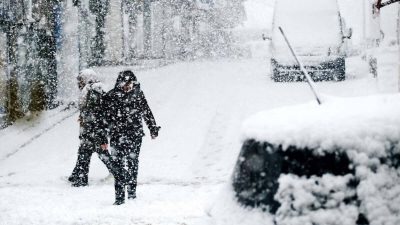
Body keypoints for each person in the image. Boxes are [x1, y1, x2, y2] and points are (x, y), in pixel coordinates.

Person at [68, 69, 129, 193]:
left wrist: (99, 133)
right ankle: (78, 176)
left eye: (80, 80)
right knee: (84, 153)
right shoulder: (90, 90)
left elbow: (96, 114)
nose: (79, 83)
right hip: (91, 129)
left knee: (100, 154)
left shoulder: (93, 92)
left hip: (93, 130)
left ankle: (120, 174)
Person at [106, 70, 160, 205]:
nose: (128, 86)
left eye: (130, 83)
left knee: (132, 163)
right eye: (125, 83)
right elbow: (104, 118)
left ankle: (131, 192)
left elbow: (147, 112)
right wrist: (102, 135)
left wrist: (153, 129)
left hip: (134, 135)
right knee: (117, 165)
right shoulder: (111, 96)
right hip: (117, 136)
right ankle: (119, 197)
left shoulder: (137, 95)